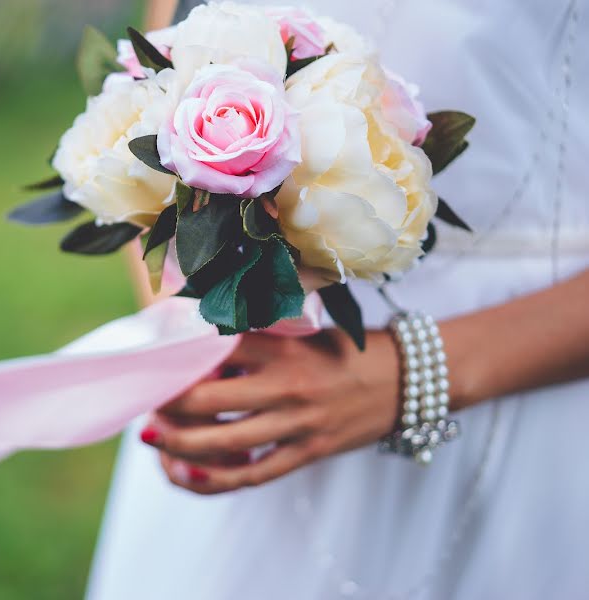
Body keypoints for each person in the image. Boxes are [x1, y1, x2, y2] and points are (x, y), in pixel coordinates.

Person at [86, 0, 589, 598]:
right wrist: (185, 310)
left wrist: (414, 371)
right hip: (245, 384)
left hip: (523, 387)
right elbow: (157, 71)